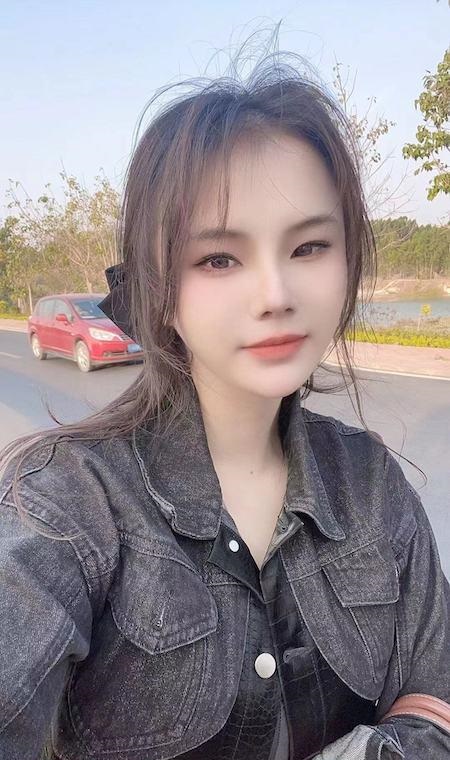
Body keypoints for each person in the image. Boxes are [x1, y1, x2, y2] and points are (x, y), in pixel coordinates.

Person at [0, 44, 449, 760]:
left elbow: (436, 695)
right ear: (158, 289)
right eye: (218, 258)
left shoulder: (371, 484)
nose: (275, 294)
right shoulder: (66, 503)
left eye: (309, 247)